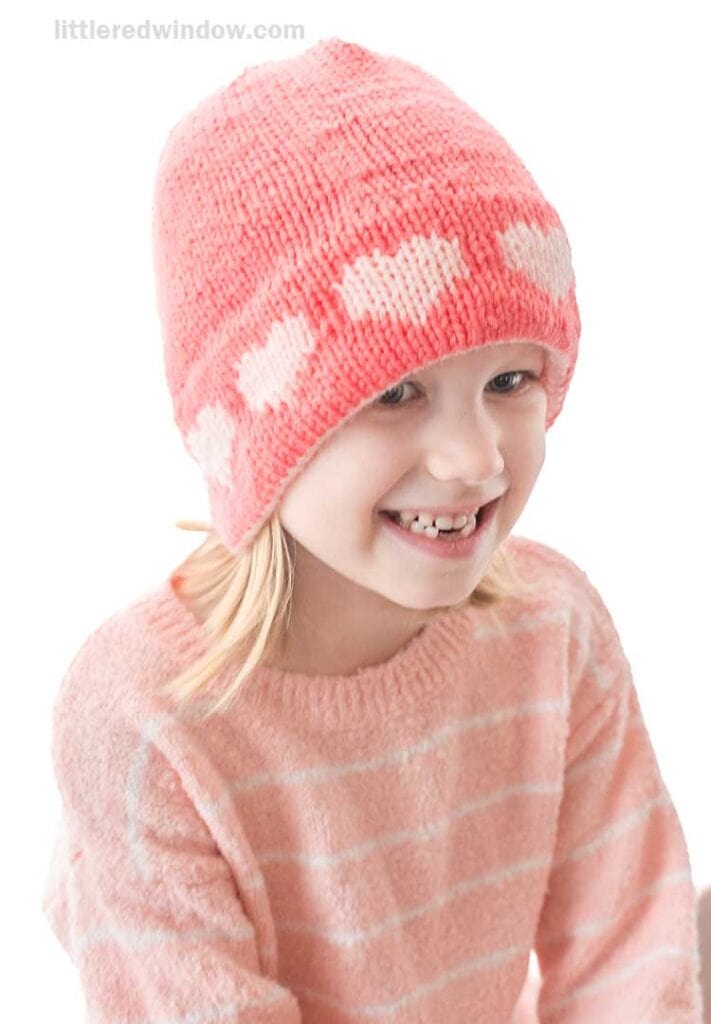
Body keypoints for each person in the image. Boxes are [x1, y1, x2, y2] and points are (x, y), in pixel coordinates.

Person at [40, 36, 704, 1023]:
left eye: (510, 380)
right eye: (395, 392)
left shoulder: (554, 629)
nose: (474, 459)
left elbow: (633, 963)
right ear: (261, 432)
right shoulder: (144, 713)